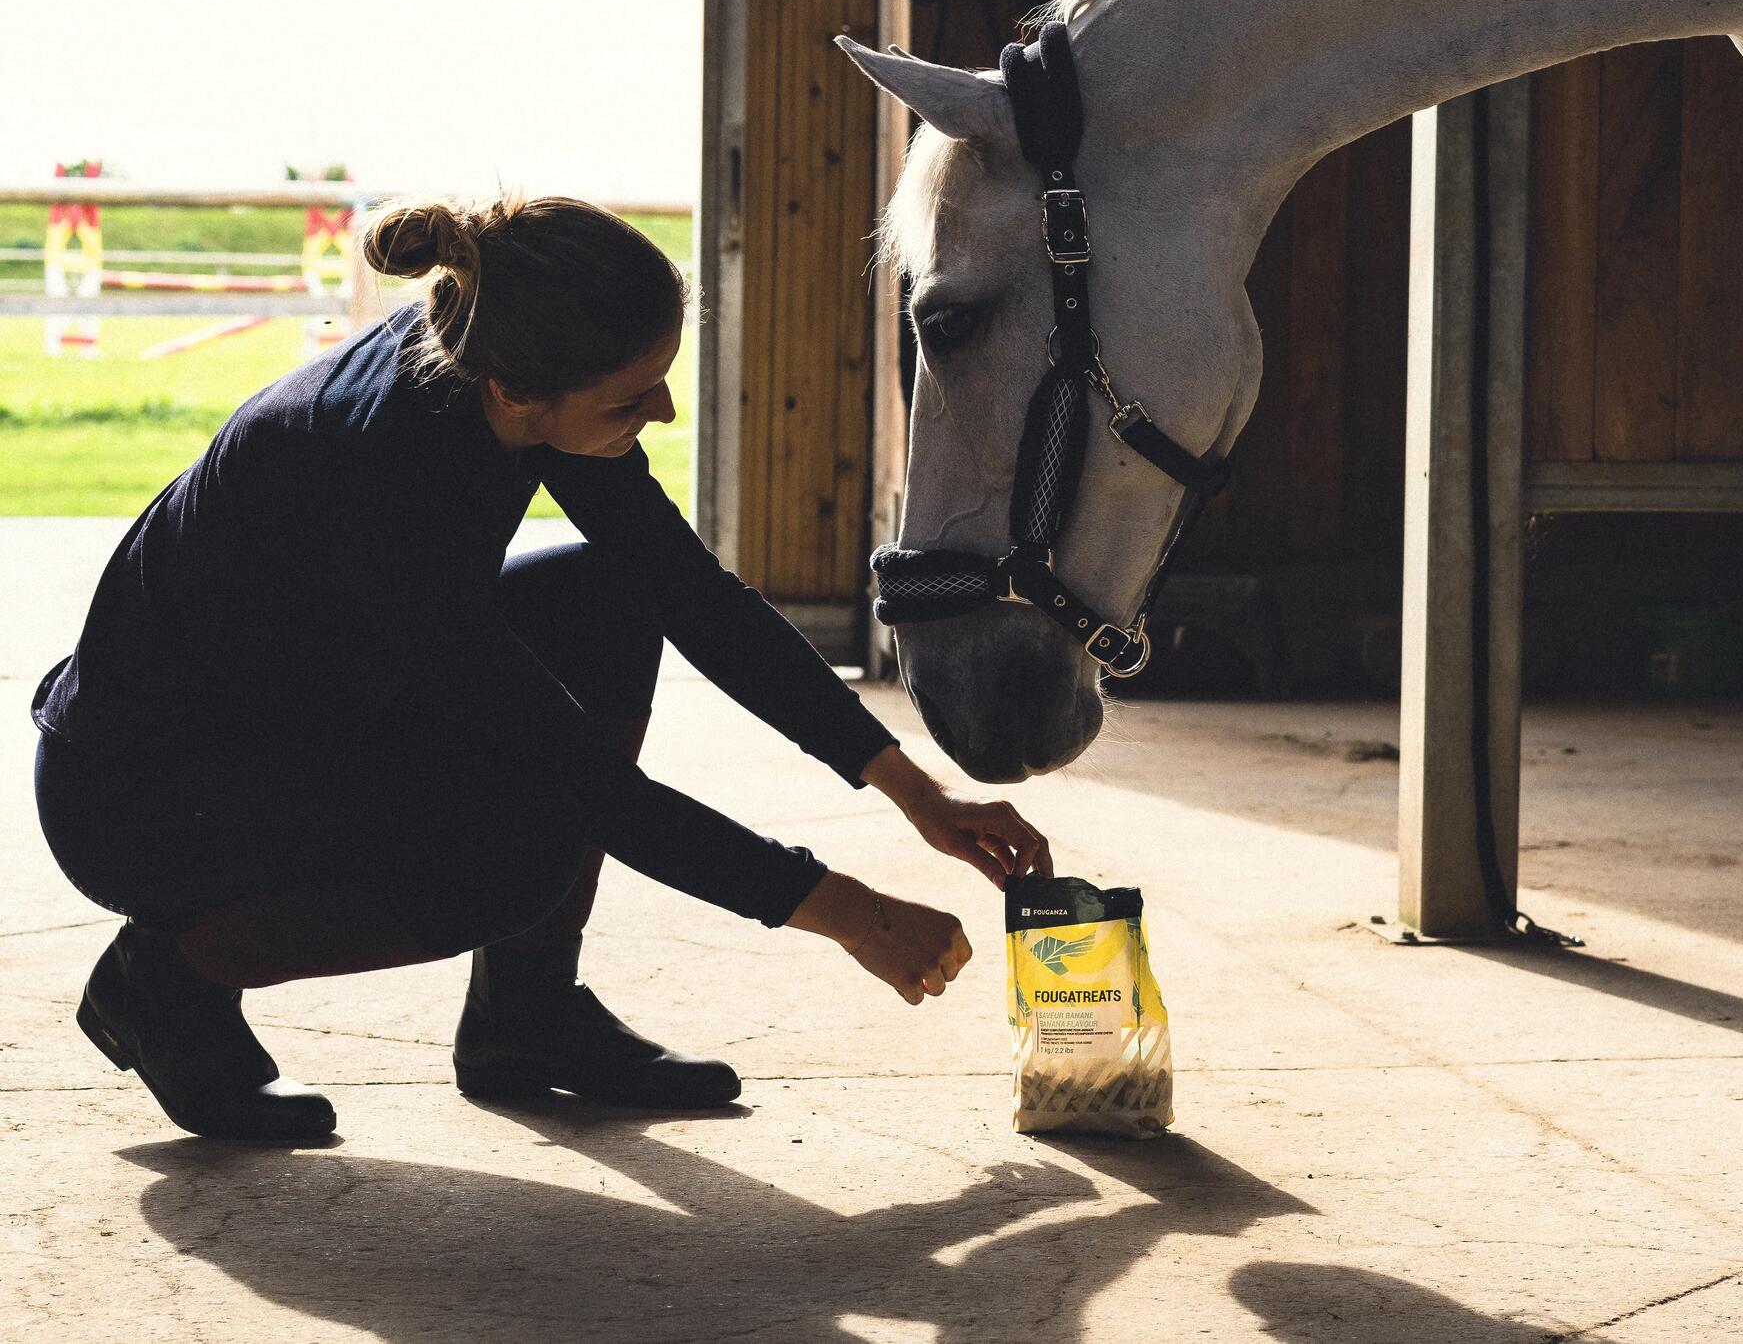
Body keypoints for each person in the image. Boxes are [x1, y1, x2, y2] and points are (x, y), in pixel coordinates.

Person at [30, 195, 1052, 1144]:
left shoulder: (490, 352)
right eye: (633, 395)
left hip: (305, 707)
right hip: (148, 797)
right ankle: (166, 979)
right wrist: (851, 915)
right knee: (519, 841)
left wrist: (916, 791)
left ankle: (526, 1016)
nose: (660, 411)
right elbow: (589, 785)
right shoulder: (378, 486)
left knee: (607, 597)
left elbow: (690, 595)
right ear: (520, 396)